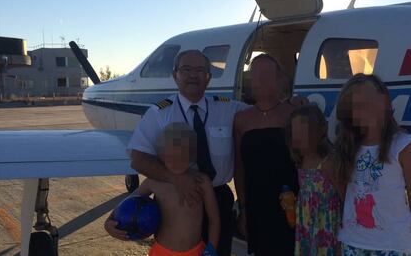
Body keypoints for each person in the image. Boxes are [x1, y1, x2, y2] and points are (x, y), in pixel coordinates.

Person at [106, 50, 248, 256]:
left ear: (208, 77)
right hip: (174, 197)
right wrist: (177, 179)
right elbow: (138, 159)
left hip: (217, 197)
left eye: (200, 70)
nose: (193, 75)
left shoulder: (226, 107)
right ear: (175, 76)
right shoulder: (160, 113)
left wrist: (290, 106)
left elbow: (261, 113)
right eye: (186, 69)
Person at [335, 73, 411, 255]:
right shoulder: (347, 148)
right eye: (358, 105)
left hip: (393, 246)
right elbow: (345, 198)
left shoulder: (403, 145)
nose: (366, 109)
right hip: (352, 244)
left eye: (371, 101)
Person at [234, 54, 300, 255]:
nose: (260, 80)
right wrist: (244, 210)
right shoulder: (241, 119)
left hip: (291, 203)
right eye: (255, 75)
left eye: (267, 74)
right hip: (257, 205)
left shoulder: (294, 113)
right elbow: (239, 167)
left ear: (279, 79)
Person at [123, 122, 220, 256]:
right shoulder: (154, 181)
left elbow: (214, 220)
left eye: (183, 155)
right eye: (171, 155)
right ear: (161, 155)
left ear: (192, 154)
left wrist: (211, 248)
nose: (177, 160)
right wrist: (110, 221)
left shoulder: (202, 182)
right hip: (162, 252)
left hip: (196, 252)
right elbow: (129, 201)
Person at [287, 105, 343, 256]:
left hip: (327, 228)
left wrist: (342, 238)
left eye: (304, 133)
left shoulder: (328, 163)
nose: (298, 138)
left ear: (319, 132)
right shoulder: (300, 161)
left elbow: (345, 198)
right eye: (295, 133)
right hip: (306, 227)